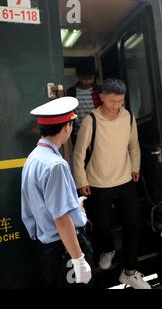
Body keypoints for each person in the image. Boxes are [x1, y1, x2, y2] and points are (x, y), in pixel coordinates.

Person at [73, 78, 150, 289]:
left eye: (120, 101)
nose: (117, 106)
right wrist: (81, 180)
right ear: (102, 97)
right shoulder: (91, 120)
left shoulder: (129, 117)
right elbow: (78, 154)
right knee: (103, 225)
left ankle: (130, 271)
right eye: (112, 101)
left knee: (133, 224)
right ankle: (107, 249)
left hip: (124, 179)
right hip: (97, 182)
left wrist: (135, 167)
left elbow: (134, 145)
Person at [21, 97, 93, 289]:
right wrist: (78, 260)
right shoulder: (56, 165)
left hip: (47, 248)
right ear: (67, 127)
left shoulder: (33, 158)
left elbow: (32, 210)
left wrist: (73, 206)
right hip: (64, 249)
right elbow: (61, 219)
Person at [67, 59, 102, 145]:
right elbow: (70, 114)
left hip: (98, 131)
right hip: (79, 133)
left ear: (94, 76)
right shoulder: (71, 92)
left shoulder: (99, 91)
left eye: (90, 78)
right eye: (84, 79)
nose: (87, 81)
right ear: (78, 76)